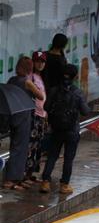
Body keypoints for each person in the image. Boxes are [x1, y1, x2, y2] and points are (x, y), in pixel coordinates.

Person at [41, 64, 90, 195]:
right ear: (75, 77)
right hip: (72, 130)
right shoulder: (77, 92)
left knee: (52, 155)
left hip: (56, 129)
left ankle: (45, 182)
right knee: (69, 158)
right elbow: (85, 111)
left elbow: (46, 106)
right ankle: (64, 185)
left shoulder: (54, 90)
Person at [2, 58, 39, 190]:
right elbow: (40, 96)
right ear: (29, 69)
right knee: (20, 147)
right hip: (23, 116)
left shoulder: (12, 80)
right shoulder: (27, 82)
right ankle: (11, 179)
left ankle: (14, 177)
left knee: (14, 146)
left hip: (12, 115)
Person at [25, 52, 49, 182]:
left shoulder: (40, 77)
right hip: (34, 115)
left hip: (41, 115)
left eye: (42, 62)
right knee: (30, 146)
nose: (40, 64)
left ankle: (31, 172)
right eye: (38, 61)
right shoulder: (30, 77)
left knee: (37, 146)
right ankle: (26, 174)